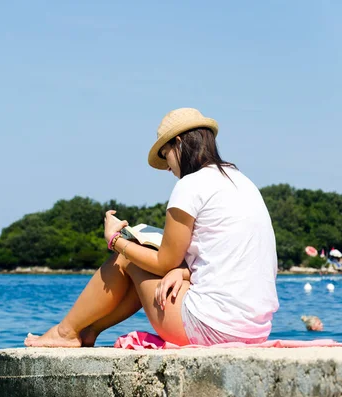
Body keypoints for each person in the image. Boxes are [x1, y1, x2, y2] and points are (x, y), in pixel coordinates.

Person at [24, 108, 279, 347]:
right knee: (147, 261)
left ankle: (65, 332)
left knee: (129, 259)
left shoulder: (191, 185)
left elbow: (163, 262)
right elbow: (231, 260)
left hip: (213, 328)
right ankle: (88, 331)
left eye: (165, 154)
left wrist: (116, 240)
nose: (167, 167)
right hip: (255, 329)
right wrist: (184, 273)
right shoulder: (241, 181)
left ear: (178, 143)